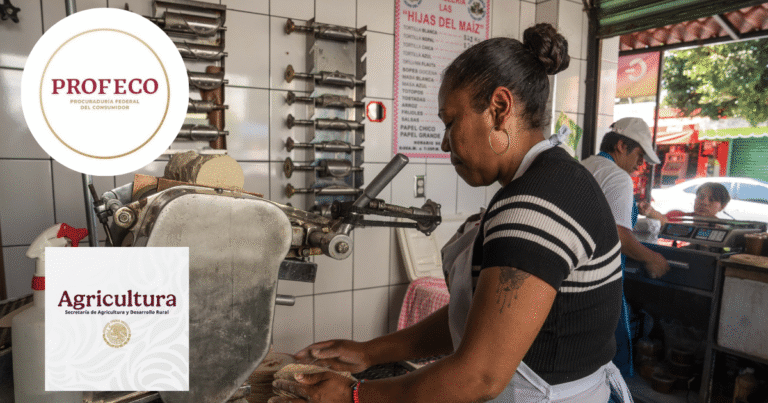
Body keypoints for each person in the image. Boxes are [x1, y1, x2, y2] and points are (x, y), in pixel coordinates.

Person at [271, 24, 633, 403]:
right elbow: (481, 324)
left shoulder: (535, 206)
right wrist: (368, 353)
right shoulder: (552, 181)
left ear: (499, 108)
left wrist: (355, 396)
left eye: (450, 122)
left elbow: (479, 376)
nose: (445, 142)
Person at [580, 118, 670, 380]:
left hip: (576, 273)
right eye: (638, 156)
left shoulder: (585, 166)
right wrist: (652, 257)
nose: (638, 165)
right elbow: (618, 234)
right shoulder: (617, 177)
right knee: (612, 348)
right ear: (621, 146)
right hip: (601, 277)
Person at [639, 182, 731, 226]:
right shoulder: (678, 216)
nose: (704, 202)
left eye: (712, 200)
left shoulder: (721, 229)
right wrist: (650, 211)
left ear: (722, 206)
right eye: (701, 197)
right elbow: (664, 222)